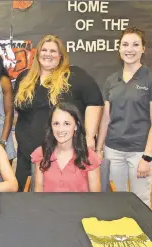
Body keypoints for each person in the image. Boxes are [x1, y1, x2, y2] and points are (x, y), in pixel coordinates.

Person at [14, 34, 103, 191]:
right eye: (44, 50)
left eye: (53, 51)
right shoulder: (24, 77)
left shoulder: (74, 76)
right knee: (24, 198)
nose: (48, 54)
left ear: (61, 56)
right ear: (37, 53)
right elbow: (19, 112)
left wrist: (89, 137)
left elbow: (95, 102)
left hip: (58, 153)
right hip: (26, 153)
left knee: (55, 197)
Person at [96, 26, 152, 206]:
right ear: (119, 48)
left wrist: (147, 157)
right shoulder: (111, 80)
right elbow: (106, 119)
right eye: (125, 44)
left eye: (135, 44)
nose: (130, 49)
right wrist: (98, 149)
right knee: (116, 202)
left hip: (139, 152)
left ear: (143, 48)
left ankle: (143, 235)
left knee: (140, 202)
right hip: (113, 151)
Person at [31, 102, 101, 192]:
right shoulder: (41, 153)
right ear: (51, 126)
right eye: (56, 123)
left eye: (66, 124)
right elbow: (38, 193)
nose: (60, 129)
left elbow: (95, 199)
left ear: (76, 125)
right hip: (48, 206)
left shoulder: (89, 157)